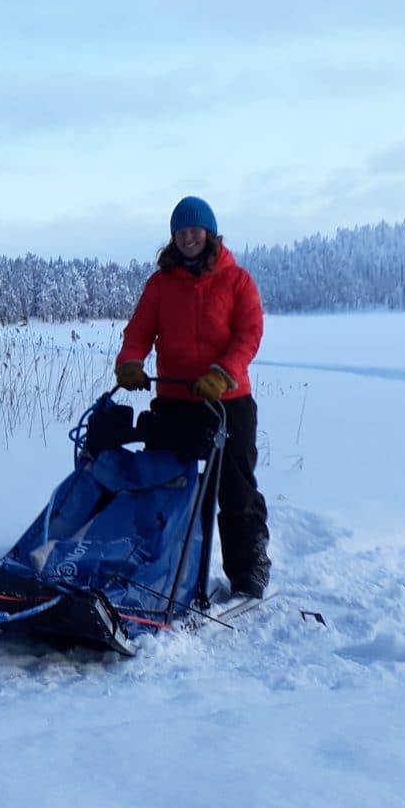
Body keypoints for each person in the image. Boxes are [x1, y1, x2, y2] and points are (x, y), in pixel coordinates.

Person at [114, 196, 271, 599]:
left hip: (228, 401)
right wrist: (130, 362)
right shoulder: (160, 284)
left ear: (209, 233)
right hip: (175, 398)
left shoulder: (237, 280)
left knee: (235, 489)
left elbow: (249, 333)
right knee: (168, 485)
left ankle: (248, 569)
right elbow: (139, 330)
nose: (188, 238)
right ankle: (165, 567)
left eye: (194, 231)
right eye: (181, 232)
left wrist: (223, 373)